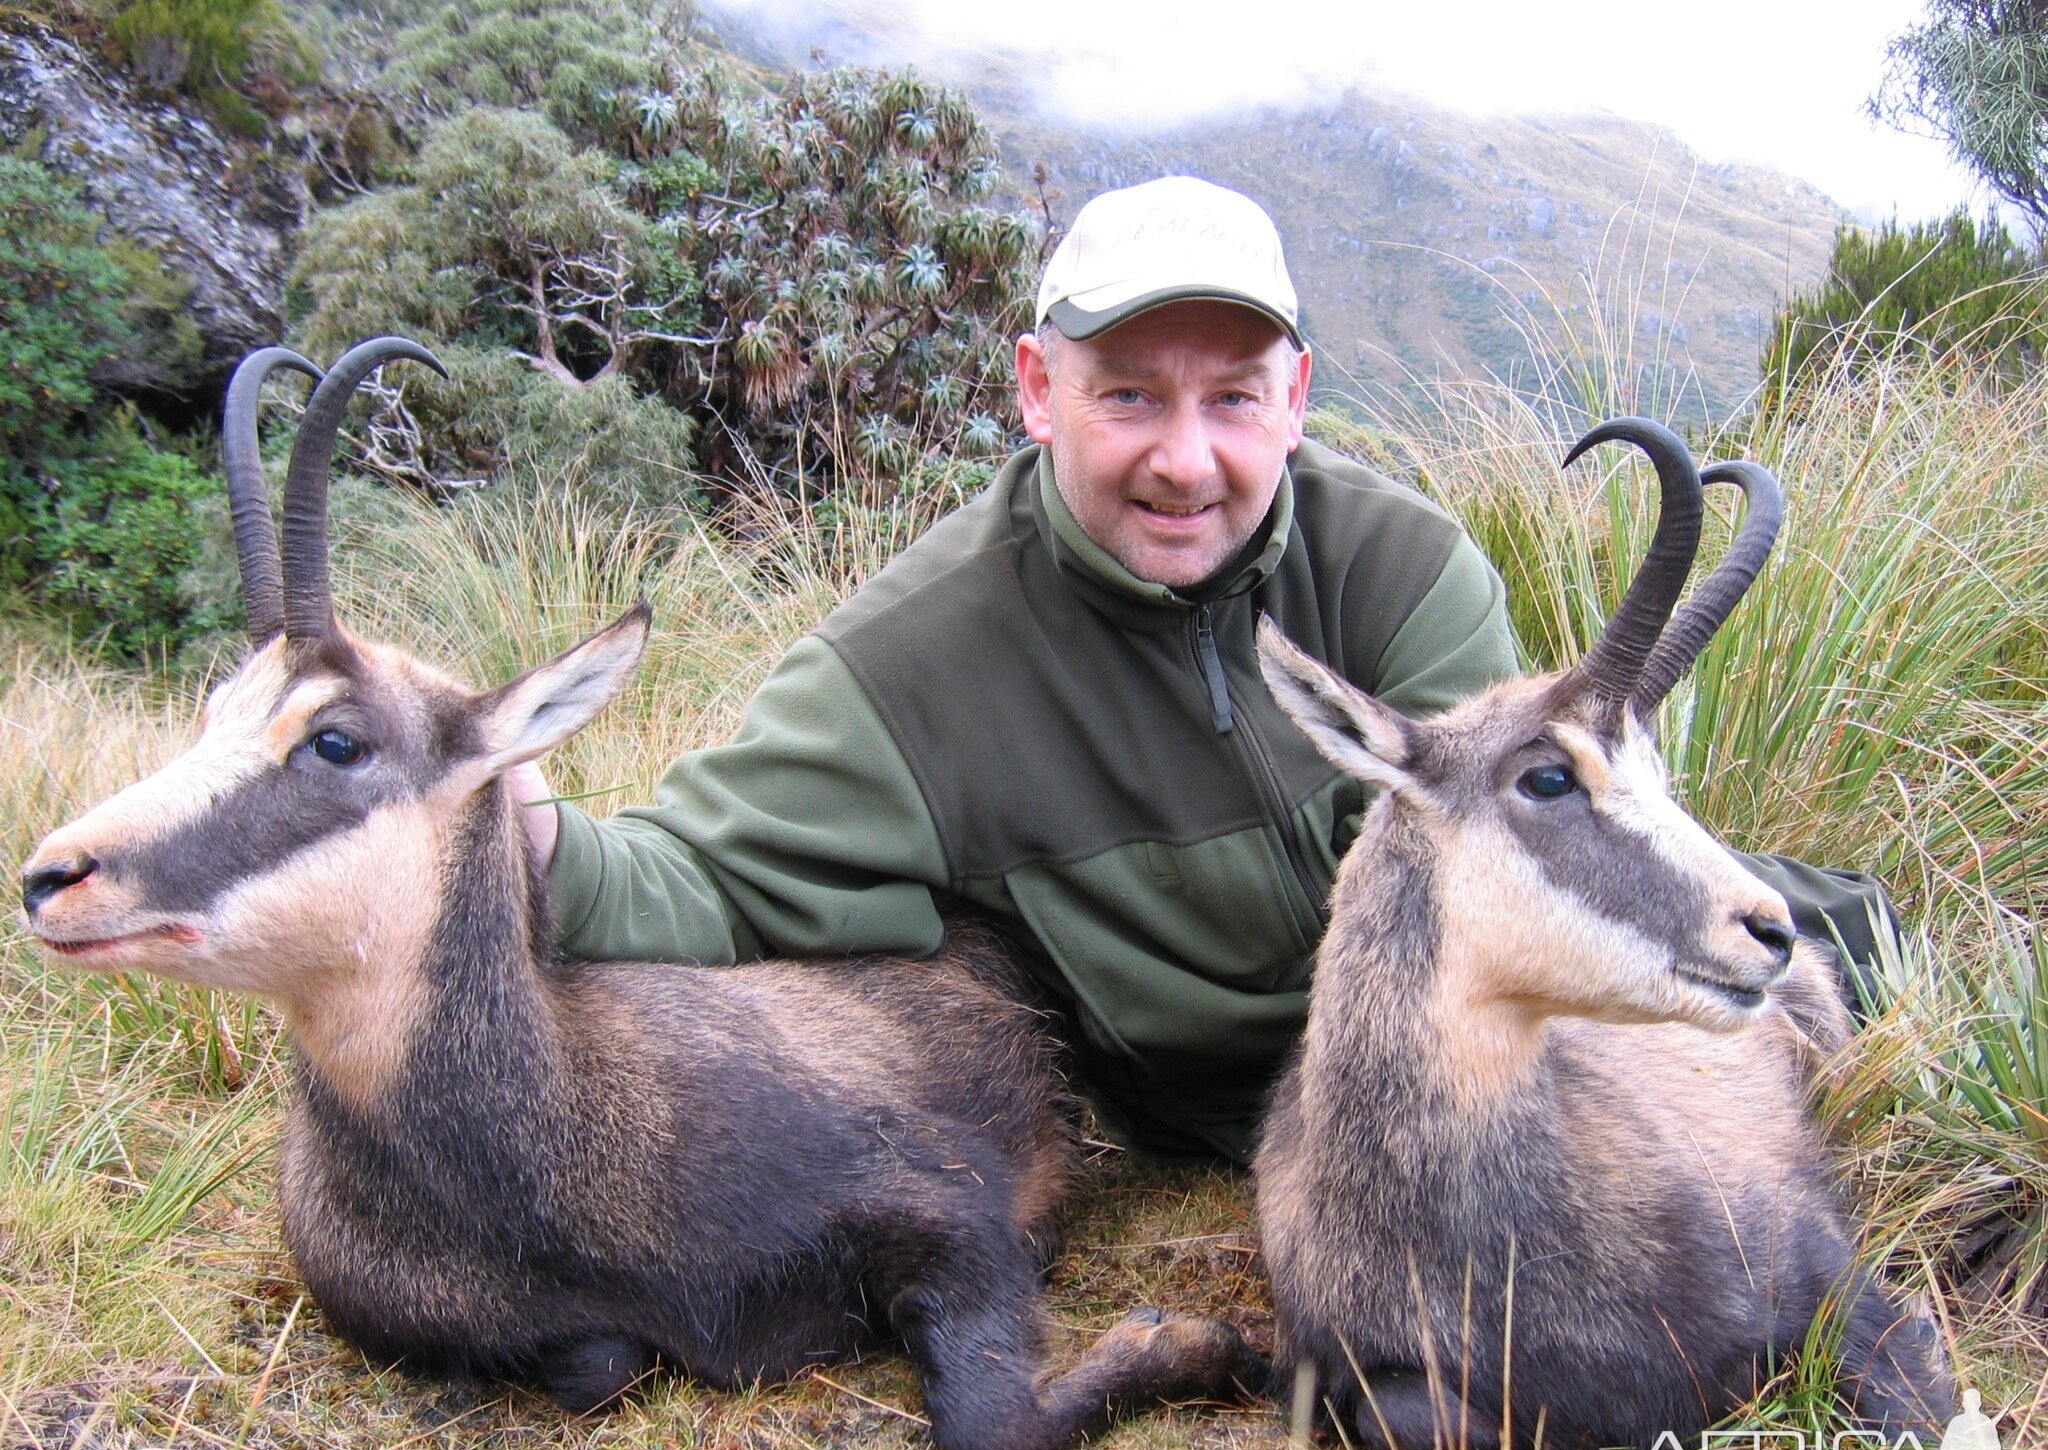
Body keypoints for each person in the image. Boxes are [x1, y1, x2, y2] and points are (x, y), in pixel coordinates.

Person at [514, 176, 1893, 1163]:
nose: (1185, 459)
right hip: (1234, 1114)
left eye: (1232, 397)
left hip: (1455, 1072)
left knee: (1840, 955)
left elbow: (1509, 886)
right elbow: (694, 877)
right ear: (1035, 387)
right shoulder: (910, 664)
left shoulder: (1398, 565)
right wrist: (504, 833)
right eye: (1127, 394)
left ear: (1296, 396)